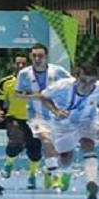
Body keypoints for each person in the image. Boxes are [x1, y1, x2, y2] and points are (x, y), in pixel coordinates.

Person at [39, 62, 99, 199]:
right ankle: (65, 172)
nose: (87, 85)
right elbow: (43, 96)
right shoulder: (62, 86)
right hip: (63, 124)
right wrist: (55, 110)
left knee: (87, 144)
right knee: (65, 159)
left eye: (92, 82)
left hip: (88, 120)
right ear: (76, 77)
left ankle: (92, 182)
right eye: (83, 81)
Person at [15, 43, 71, 190]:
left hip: (57, 115)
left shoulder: (58, 71)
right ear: (30, 57)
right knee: (46, 141)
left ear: (46, 57)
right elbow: (17, 94)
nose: (37, 58)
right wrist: (37, 96)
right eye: (34, 56)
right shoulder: (24, 74)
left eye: (40, 56)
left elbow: (72, 86)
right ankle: (55, 176)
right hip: (36, 115)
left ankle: (48, 169)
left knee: (54, 147)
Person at [0, 55, 40, 189]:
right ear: (13, 64)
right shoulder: (6, 82)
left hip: (34, 119)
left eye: (23, 63)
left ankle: (32, 176)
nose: (20, 66)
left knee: (35, 151)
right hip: (14, 118)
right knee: (16, 141)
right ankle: (9, 163)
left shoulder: (37, 81)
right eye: (18, 63)